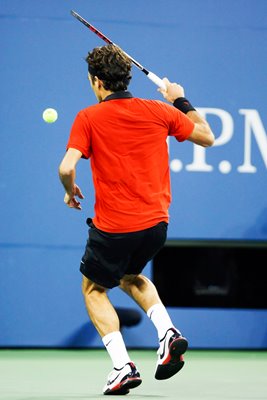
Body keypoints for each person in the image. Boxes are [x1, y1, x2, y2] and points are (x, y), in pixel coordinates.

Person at [58, 44, 215, 396]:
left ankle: (121, 366)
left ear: (98, 82)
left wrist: (69, 190)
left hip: (114, 228)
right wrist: (180, 100)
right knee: (131, 277)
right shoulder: (161, 111)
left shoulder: (89, 117)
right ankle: (168, 332)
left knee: (94, 289)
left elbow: (67, 167)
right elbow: (207, 136)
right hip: (157, 225)